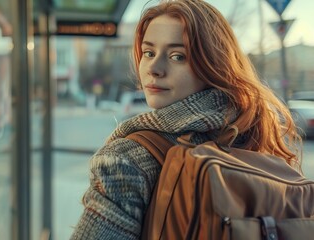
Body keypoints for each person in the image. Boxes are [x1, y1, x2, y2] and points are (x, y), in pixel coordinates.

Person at [70, 0, 302, 239]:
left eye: (177, 56)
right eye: (149, 52)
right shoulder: (253, 134)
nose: (154, 68)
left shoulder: (128, 158)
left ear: (213, 65)